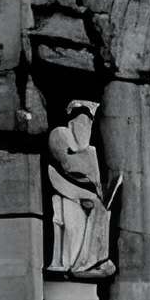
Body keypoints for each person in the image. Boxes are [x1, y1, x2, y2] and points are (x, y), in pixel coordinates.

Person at [44, 100, 116, 281]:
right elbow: (66, 169)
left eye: (89, 124)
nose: (87, 127)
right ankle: (83, 263)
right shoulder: (60, 135)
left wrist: (96, 191)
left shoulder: (89, 149)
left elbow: (93, 179)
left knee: (101, 210)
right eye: (83, 123)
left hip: (83, 195)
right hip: (68, 191)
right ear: (72, 123)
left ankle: (93, 259)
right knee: (88, 213)